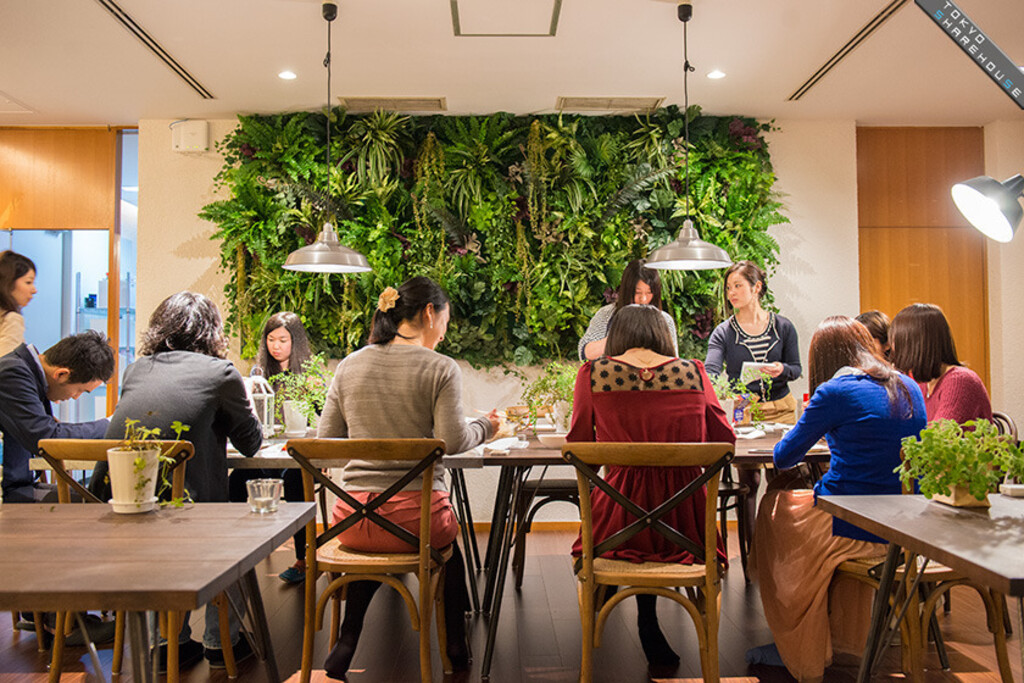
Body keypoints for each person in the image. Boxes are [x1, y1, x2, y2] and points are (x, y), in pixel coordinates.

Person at [316, 276, 500, 681]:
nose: (444, 333)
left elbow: (326, 449)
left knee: (379, 536)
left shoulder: (349, 365)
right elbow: (452, 441)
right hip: (416, 523)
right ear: (430, 313)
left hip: (351, 521)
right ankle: (456, 649)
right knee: (447, 549)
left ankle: (347, 639)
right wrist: (487, 426)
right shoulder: (440, 368)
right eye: (445, 322)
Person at [748, 316, 925, 681]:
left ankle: (796, 637)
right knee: (804, 504)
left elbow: (783, 456)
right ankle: (835, 632)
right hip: (905, 528)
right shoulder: (908, 385)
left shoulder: (835, 391)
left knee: (773, 506)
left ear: (822, 360)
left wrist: (822, 428)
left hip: (852, 524)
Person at [95, 291, 263, 671]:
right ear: (212, 331)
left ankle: (167, 644)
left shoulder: (136, 370)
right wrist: (244, 401)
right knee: (237, 538)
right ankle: (222, 644)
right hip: (191, 515)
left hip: (123, 511)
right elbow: (251, 444)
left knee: (164, 527)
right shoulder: (221, 373)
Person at [567, 304, 735, 671]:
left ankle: (598, 626)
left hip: (617, 526)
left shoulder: (594, 375)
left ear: (617, 336)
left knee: (617, 512)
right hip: (687, 527)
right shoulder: (694, 372)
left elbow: (580, 449)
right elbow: (724, 441)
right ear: (663, 335)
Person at [704, 260, 802, 541]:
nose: (731, 293)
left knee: (782, 477)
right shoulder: (724, 332)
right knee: (749, 481)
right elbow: (711, 372)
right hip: (745, 413)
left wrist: (782, 369)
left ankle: (780, 543)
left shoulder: (783, 327)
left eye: (738, 286)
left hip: (781, 410)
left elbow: (796, 368)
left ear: (756, 287)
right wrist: (723, 390)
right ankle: (752, 549)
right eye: (728, 288)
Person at [229, 311, 313, 585]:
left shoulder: (309, 376)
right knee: (236, 481)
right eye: (271, 339)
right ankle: (235, 557)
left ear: (295, 342)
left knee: (297, 481)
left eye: (283, 340)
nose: (276, 346)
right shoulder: (259, 376)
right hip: (266, 454)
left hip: (297, 456)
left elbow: (320, 420)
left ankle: (303, 558)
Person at [0, 330, 113, 503]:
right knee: (95, 505)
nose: (75, 397)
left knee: (95, 499)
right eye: (80, 390)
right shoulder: (13, 373)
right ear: (61, 374)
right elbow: (46, 436)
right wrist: (109, 424)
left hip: (20, 484)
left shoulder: (26, 373)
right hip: (9, 491)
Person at [890, 303, 992, 424]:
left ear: (915, 344)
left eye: (897, 341)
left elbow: (938, 433)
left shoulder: (959, 381)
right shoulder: (925, 385)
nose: (893, 348)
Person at [578, 258, 678, 360]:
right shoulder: (607, 314)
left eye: (649, 292)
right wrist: (619, 336)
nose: (643, 299)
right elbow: (585, 353)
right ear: (627, 291)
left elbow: (673, 361)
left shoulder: (664, 320)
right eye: (638, 292)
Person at [0, 250, 37, 357]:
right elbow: (7, 364)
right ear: (8, 282)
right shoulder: (10, 319)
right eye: (28, 282)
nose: (34, 290)